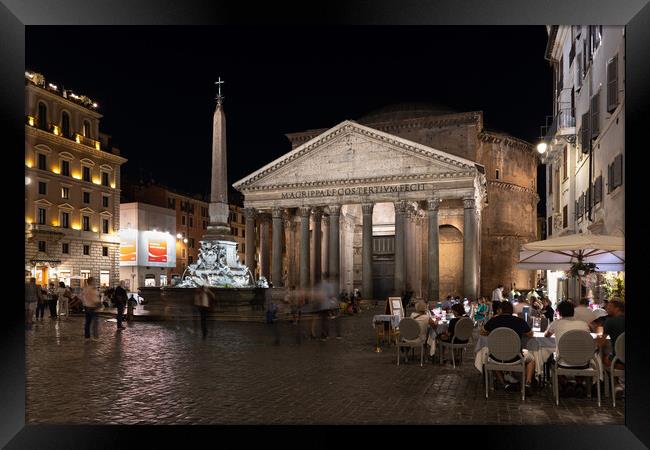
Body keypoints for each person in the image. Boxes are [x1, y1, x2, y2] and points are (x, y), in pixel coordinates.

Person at [481, 301, 536, 395]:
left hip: (496, 357)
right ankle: (527, 384)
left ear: (500, 310)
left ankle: (504, 383)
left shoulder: (494, 320)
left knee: (490, 356)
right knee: (532, 359)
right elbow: (530, 334)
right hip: (516, 357)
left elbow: (482, 332)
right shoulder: (519, 321)